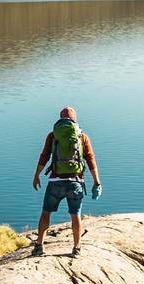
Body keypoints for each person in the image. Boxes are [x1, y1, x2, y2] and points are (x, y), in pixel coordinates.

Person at [31, 106, 102, 256]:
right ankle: (76, 248)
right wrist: (96, 182)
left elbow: (44, 156)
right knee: (75, 215)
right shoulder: (82, 136)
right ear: (74, 119)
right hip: (75, 181)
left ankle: (39, 246)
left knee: (46, 213)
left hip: (55, 181)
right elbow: (90, 159)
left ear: (60, 118)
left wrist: (36, 175)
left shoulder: (53, 135)